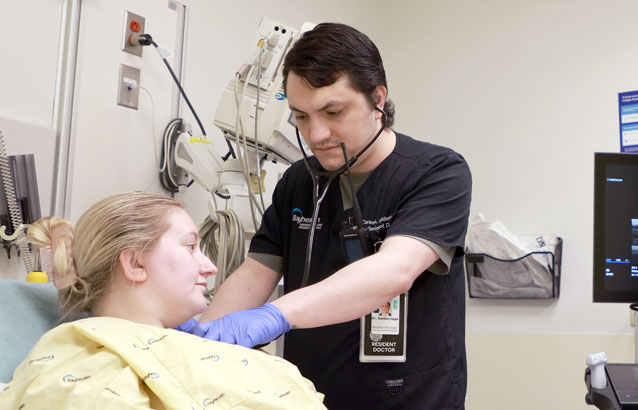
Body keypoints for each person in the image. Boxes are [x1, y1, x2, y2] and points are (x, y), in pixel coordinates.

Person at [184, 22, 474, 409]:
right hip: (311, 394)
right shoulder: (298, 182)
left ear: (377, 100)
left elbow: (395, 271)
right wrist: (195, 345)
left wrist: (275, 315)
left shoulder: (437, 172)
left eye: (333, 112)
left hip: (410, 395)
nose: (316, 134)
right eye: (301, 117)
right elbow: (255, 274)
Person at [0, 192, 326, 409]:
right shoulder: (87, 370)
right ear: (135, 263)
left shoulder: (230, 359)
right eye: (190, 247)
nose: (210, 267)